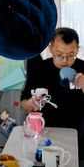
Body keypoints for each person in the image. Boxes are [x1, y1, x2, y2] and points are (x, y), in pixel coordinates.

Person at [21, 27, 84, 165]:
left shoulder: (83, 69)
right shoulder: (39, 69)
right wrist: (30, 104)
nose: (65, 60)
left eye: (70, 55)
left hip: (76, 137)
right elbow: (24, 105)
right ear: (50, 49)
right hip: (43, 136)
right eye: (59, 54)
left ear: (77, 50)